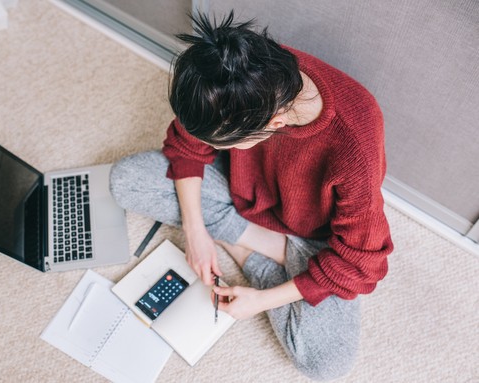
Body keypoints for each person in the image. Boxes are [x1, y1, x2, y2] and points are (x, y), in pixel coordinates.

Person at [109, 11, 393, 381]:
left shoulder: (353, 149)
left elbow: (363, 262)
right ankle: (261, 245)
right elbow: (186, 146)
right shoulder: (238, 77)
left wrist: (262, 299)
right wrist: (195, 234)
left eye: (220, 142)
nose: (207, 146)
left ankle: (251, 254)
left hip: (313, 237)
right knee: (126, 181)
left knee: (327, 363)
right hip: (240, 188)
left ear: (275, 124)